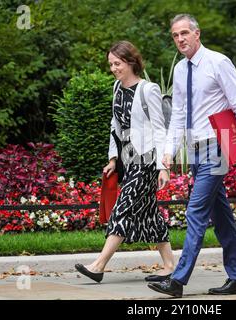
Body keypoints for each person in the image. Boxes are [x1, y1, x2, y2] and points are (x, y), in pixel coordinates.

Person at [147, 14, 236, 298]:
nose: (180, 39)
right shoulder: (181, 70)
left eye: (184, 33)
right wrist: (169, 151)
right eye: (175, 35)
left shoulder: (218, 62)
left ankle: (178, 279)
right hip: (195, 151)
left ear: (197, 34)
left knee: (195, 211)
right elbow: (179, 114)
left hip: (217, 148)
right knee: (222, 218)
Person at [75, 40, 175, 283]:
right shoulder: (116, 88)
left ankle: (98, 266)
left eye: (117, 63)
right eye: (110, 64)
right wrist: (113, 158)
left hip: (148, 158)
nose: (113, 68)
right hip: (129, 158)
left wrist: (163, 167)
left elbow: (160, 129)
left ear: (131, 62)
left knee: (123, 207)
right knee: (149, 213)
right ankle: (170, 265)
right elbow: (115, 125)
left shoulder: (148, 89)